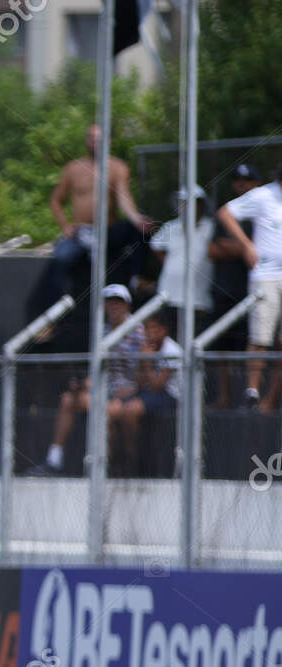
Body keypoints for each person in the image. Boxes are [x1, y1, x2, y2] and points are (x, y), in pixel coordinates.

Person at [37, 123, 155, 312]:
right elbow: (55, 201)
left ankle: (137, 277)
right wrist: (65, 226)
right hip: (81, 232)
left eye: (99, 138)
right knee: (59, 259)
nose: (95, 142)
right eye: (91, 138)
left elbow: (124, 198)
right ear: (86, 140)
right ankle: (50, 316)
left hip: (108, 232)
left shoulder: (117, 167)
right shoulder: (74, 168)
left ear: (107, 141)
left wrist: (136, 218)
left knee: (138, 229)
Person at [32, 284, 143, 474]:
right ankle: (54, 460)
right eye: (110, 303)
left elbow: (142, 371)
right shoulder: (101, 331)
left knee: (108, 410)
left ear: (128, 306)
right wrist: (84, 384)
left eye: (119, 302)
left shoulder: (139, 332)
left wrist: (129, 391)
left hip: (130, 393)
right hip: (105, 391)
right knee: (69, 400)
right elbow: (98, 370)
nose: (114, 307)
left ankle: (113, 465)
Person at [214, 163, 282, 411]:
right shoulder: (263, 195)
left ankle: (271, 399)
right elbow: (225, 213)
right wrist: (246, 245)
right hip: (265, 275)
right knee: (260, 336)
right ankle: (252, 390)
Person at [207, 164, 262, 408]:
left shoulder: (264, 212)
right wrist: (248, 248)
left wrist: (234, 247)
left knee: (252, 345)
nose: (241, 184)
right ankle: (224, 398)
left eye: (247, 180)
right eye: (237, 180)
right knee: (222, 348)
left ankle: (250, 398)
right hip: (224, 291)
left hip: (253, 292)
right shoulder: (228, 213)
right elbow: (212, 250)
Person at [117, 309, 183, 473]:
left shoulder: (172, 350)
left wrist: (146, 362)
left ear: (164, 330)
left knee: (131, 410)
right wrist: (142, 361)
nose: (151, 333)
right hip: (151, 394)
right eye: (148, 329)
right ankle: (123, 456)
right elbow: (139, 384)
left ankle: (134, 457)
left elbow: (157, 385)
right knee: (114, 407)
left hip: (173, 396)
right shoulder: (146, 348)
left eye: (155, 329)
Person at [149, 186, 215, 341]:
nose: (186, 207)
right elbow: (156, 246)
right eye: (183, 203)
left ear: (201, 205)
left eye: (192, 203)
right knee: (170, 343)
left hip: (199, 300)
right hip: (168, 296)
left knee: (195, 342)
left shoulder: (211, 227)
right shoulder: (171, 226)